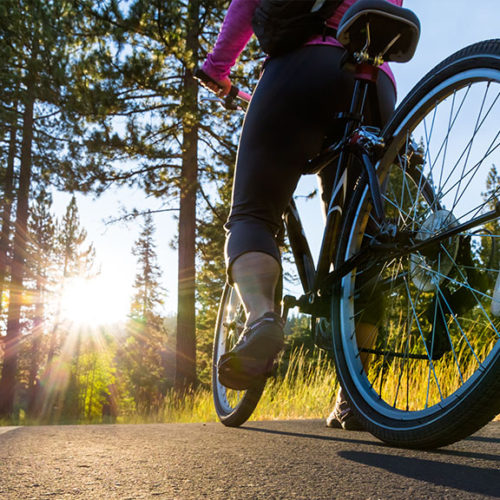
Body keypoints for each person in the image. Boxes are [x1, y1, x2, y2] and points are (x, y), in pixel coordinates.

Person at [200, 0, 403, 430]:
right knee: (362, 239)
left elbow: (245, 6)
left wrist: (218, 69)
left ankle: (261, 320)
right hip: (376, 84)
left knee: (253, 214)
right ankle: (355, 396)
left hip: (303, 65)